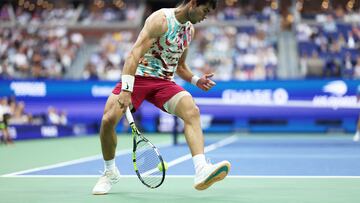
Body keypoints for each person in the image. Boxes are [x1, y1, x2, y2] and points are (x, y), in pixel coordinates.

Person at [92, 0, 231, 195]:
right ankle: (109, 172)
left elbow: (180, 66)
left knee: (191, 110)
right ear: (193, 4)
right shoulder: (161, 20)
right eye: (204, 11)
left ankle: (201, 169)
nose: (205, 16)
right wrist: (126, 89)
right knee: (108, 120)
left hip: (163, 83)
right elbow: (133, 55)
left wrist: (196, 80)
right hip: (138, 77)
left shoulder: (189, 30)